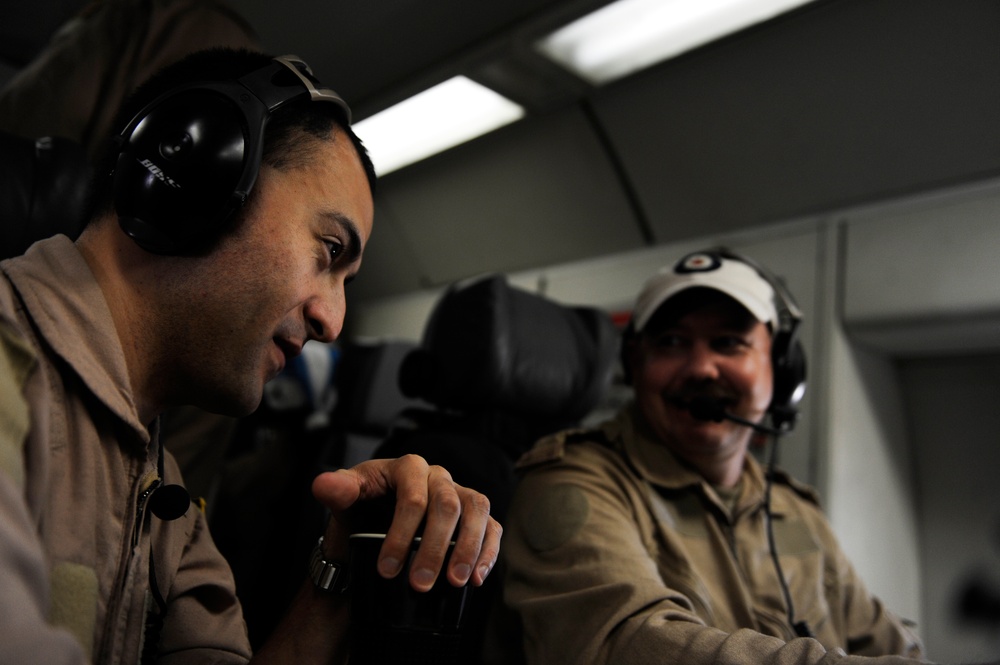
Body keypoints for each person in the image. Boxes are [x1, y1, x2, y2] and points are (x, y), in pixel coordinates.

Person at [0, 47, 500, 664]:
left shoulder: (163, 492)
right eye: (329, 250)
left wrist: (347, 562)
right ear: (197, 177)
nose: (333, 321)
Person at [502, 248, 927, 664]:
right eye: (671, 342)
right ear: (636, 366)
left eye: (728, 342)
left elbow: (893, 646)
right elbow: (622, 643)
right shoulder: (573, 481)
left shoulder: (796, 510)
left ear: (781, 370)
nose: (701, 368)